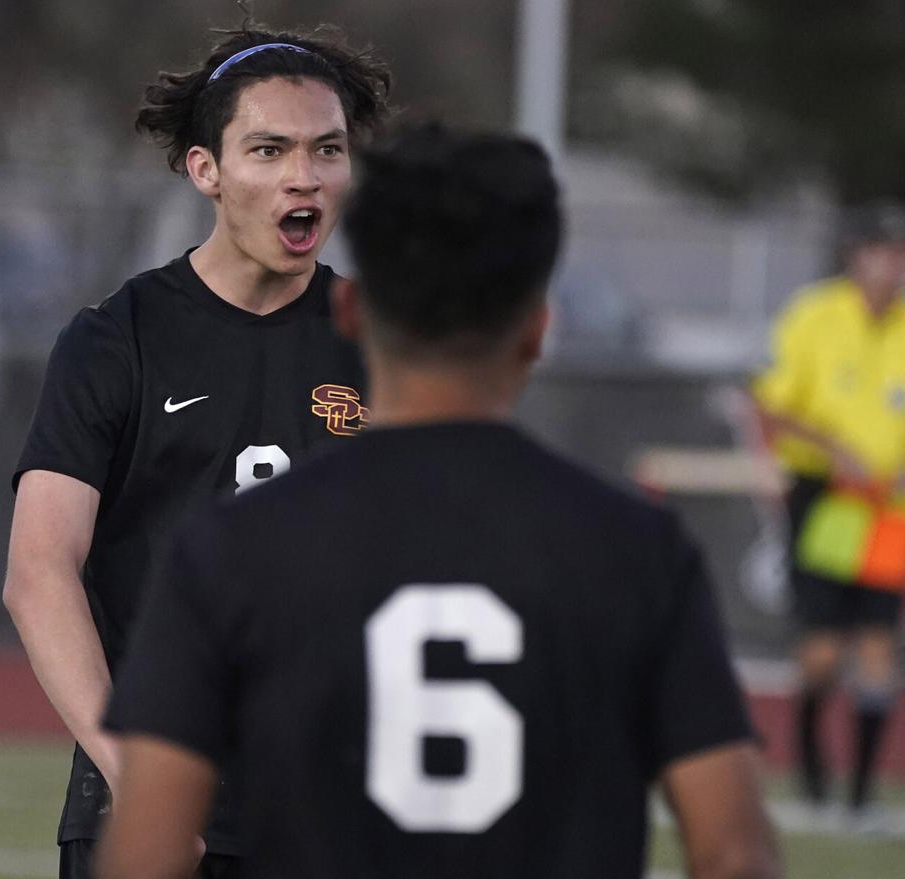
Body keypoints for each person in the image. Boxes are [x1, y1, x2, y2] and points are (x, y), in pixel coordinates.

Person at [97, 124, 782, 879]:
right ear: (537, 329)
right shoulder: (639, 549)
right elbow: (735, 851)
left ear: (350, 313)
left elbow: (145, 855)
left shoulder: (228, 551)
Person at [2, 22, 391, 879]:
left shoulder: (388, 345)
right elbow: (38, 570)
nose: (305, 176)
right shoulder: (115, 341)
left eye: (327, 149)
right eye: (269, 149)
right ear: (205, 170)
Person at [752, 202, 905, 822]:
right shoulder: (815, 316)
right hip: (827, 501)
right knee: (819, 652)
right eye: (879, 251)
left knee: (876, 647)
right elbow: (772, 405)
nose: (889, 266)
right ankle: (811, 774)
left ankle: (860, 797)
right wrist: (835, 451)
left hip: (889, 507)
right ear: (854, 256)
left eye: (898, 254)